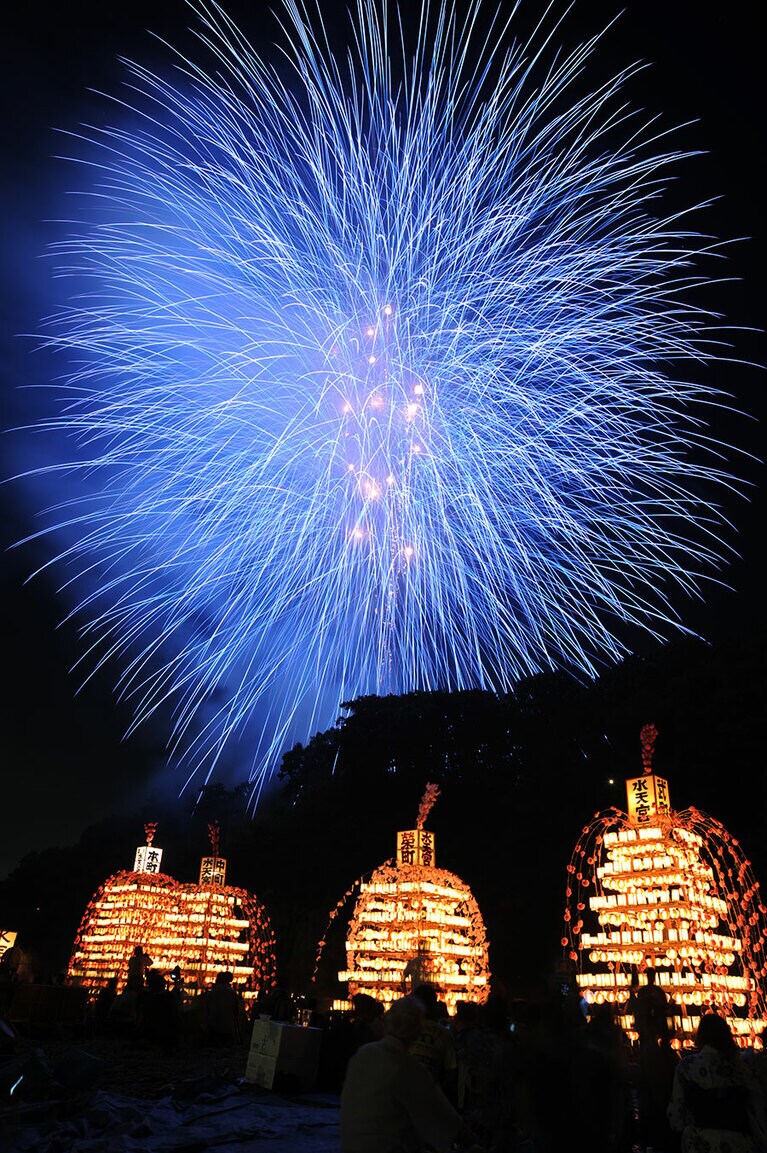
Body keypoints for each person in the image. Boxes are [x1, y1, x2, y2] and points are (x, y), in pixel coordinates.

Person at [340, 995, 482, 1153]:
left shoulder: (364, 1053)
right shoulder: (406, 1066)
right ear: (416, 1031)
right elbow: (443, 1115)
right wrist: (472, 1139)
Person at [667, 1012, 767, 1152]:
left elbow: (677, 1115)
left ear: (700, 1036)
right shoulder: (741, 1068)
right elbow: (757, 1109)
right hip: (737, 1142)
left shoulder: (687, 1067)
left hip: (700, 1141)